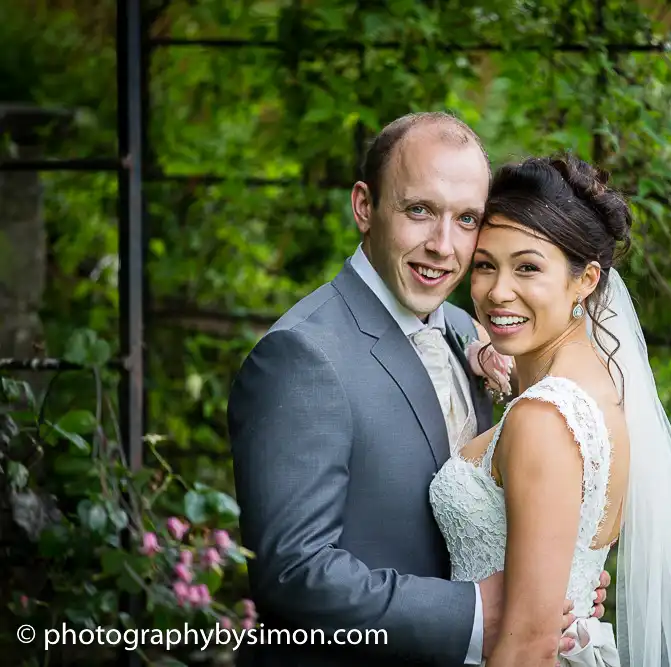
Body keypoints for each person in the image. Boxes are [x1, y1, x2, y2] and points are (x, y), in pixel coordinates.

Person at [227, 112, 609, 667]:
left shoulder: (467, 332)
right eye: (420, 211)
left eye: (467, 219)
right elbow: (292, 573)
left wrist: (552, 580)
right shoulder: (302, 356)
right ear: (365, 207)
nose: (443, 246)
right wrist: (477, 611)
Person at [429, 155, 671, 666]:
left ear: (586, 279)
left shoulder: (545, 418)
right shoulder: (594, 389)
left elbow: (527, 645)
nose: (498, 292)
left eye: (527, 267)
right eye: (485, 265)